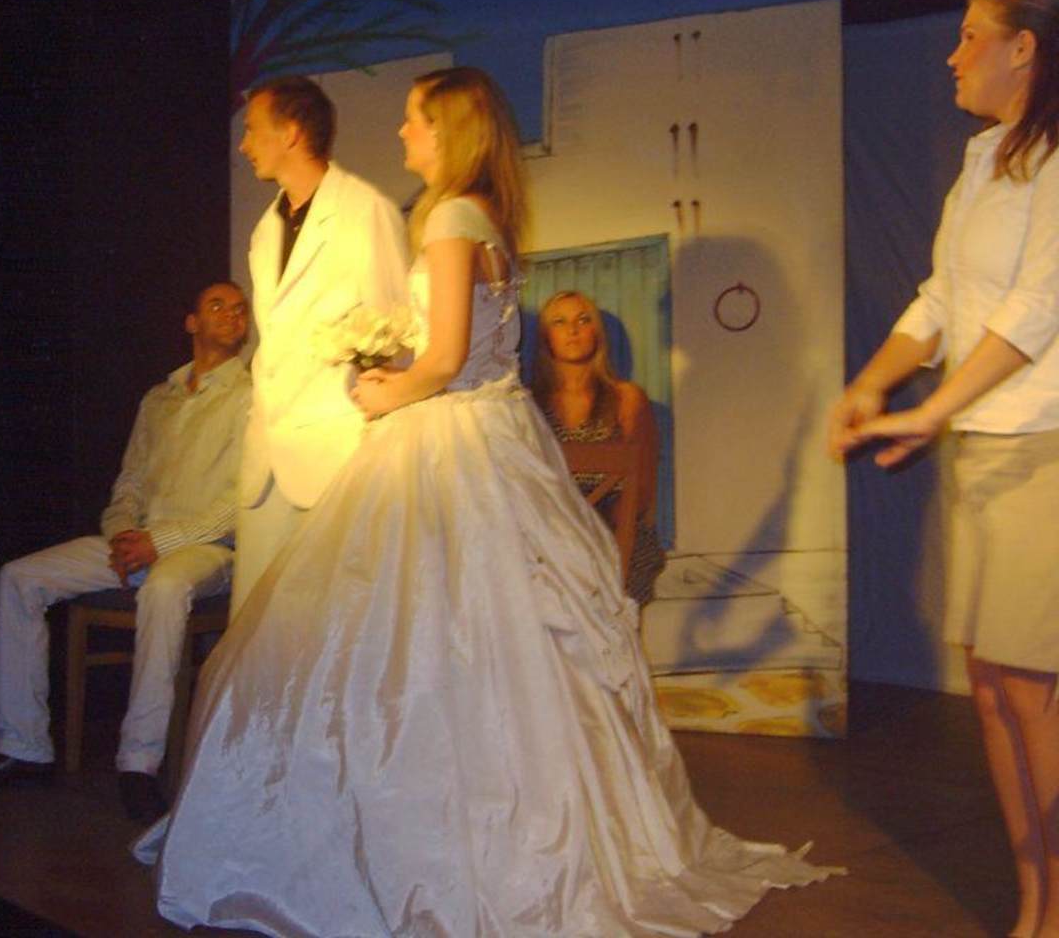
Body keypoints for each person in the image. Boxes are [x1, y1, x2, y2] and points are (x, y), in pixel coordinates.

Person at [137, 67, 835, 935]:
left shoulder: (448, 218)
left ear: (448, 130)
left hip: (448, 439)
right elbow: (473, 348)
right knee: (485, 644)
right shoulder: (487, 218)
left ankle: (404, 839)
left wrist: (386, 389)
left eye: (412, 119)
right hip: (495, 436)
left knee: (410, 641)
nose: (401, 133)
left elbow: (445, 358)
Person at [830, 0, 1059, 938]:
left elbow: (1038, 308)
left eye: (971, 37)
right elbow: (938, 300)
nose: (953, 55)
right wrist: (874, 382)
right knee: (995, 690)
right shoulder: (982, 159)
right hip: (983, 449)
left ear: (1025, 49)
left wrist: (933, 409)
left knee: (1033, 691)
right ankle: (1035, 900)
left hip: (1042, 448)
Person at [0, 282, 251, 825]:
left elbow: (241, 502)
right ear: (191, 322)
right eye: (217, 306)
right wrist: (122, 536)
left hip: (206, 549)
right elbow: (128, 484)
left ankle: (138, 765)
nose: (232, 315)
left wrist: (160, 542)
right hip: (138, 542)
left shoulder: (252, 397)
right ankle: (24, 747)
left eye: (240, 309)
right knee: (20, 577)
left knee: (164, 587)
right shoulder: (158, 398)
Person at [232, 75, 409, 617]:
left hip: (337, 452)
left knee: (331, 624)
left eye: (252, 130)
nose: (243, 145)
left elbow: (396, 331)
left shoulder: (365, 211)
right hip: (267, 455)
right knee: (258, 625)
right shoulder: (266, 228)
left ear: (290, 132)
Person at [535, 289, 665, 606]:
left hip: (614, 530)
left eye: (583, 320)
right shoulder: (529, 403)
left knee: (628, 557)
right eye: (559, 322)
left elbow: (641, 489)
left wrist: (598, 540)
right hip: (549, 532)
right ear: (546, 337)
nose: (573, 329)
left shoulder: (626, 399)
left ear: (597, 333)